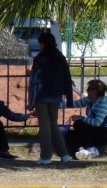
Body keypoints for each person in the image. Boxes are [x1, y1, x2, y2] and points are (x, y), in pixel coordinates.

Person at [28, 30, 75, 165]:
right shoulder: (60, 57)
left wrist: (31, 101)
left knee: (45, 126)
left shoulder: (40, 58)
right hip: (56, 95)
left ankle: (46, 156)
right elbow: (67, 77)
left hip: (41, 95)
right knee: (53, 124)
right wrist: (69, 99)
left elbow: (34, 80)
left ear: (43, 44)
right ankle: (64, 154)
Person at [65, 79, 107, 157]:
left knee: (78, 124)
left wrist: (80, 117)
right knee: (70, 134)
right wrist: (55, 105)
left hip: (105, 133)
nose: (87, 91)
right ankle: (79, 152)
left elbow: (97, 122)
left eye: (89, 89)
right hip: (95, 131)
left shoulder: (103, 102)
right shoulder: (90, 100)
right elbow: (74, 104)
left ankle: (92, 150)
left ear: (95, 91)